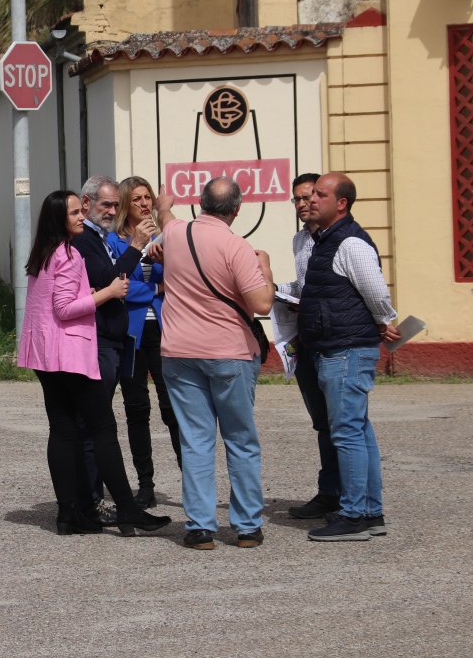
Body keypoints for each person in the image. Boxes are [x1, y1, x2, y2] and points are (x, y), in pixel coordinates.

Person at [17, 190, 170, 536]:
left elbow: (50, 304)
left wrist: (92, 292)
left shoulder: (42, 253)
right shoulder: (68, 253)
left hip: (45, 354)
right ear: (59, 219)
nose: (80, 218)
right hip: (69, 352)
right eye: (74, 213)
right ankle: (127, 510)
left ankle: (69, 514)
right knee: (102, 429)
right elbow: (64, 309)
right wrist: (108, 293)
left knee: (63, 430)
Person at [155, 177, 275, 549]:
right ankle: (247, 526)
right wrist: (266, 269)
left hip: (179, 350)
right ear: (236, 209)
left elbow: (166, 218)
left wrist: (163, 204)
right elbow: (262, 303)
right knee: (240, 439)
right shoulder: (237, 246)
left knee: (195, 440)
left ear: (201, 203)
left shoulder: (176, 233)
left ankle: (200, 527)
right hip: (228, 351)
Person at [299, 172, 400, 542]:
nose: (311, 200)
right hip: (337, 348)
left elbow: (377, 293)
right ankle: (370, 513)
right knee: (357, 431)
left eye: (320, 195)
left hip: (344, 350)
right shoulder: (325, 240)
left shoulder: (350, 243)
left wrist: (385, 320)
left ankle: (354, 515)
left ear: (341, 203)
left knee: (347, 434)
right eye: (311, 194)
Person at [73, 175, 153, 521]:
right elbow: (111, 280)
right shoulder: (85, 240)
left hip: (116, 340)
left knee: (104, 423)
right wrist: (136, 247)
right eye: (106, 204)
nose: (111, 211)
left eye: (115, 205)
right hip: (100, 341)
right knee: (94, 425)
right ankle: (91, 502)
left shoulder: (101, 238)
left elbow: (119, 280)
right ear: (86, 203)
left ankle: (102, 499)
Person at [111, 177, 182, 508]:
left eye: (147, 197)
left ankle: (192, 482)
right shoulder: (114, 241)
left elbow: (183, 276)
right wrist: (155, 288)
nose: (143, 203)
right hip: (132, 333)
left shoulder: (165, 236)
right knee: (137, 409)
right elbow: (117, 284)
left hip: (166, 330)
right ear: (125, 204)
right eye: (136, 198)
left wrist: (165, 264)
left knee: (173, 408)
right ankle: (146, 485)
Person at [276, 172, 342, 520]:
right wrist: (278, 290)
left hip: (336, 340)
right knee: (322, 422)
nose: (303, 204)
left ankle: (352, 498)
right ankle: (329, 492)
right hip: (307, 339)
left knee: (344, 423)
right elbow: (305, 286)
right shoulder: (300, 240)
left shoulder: (343, 239)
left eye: (308, 197)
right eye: (297, 199)